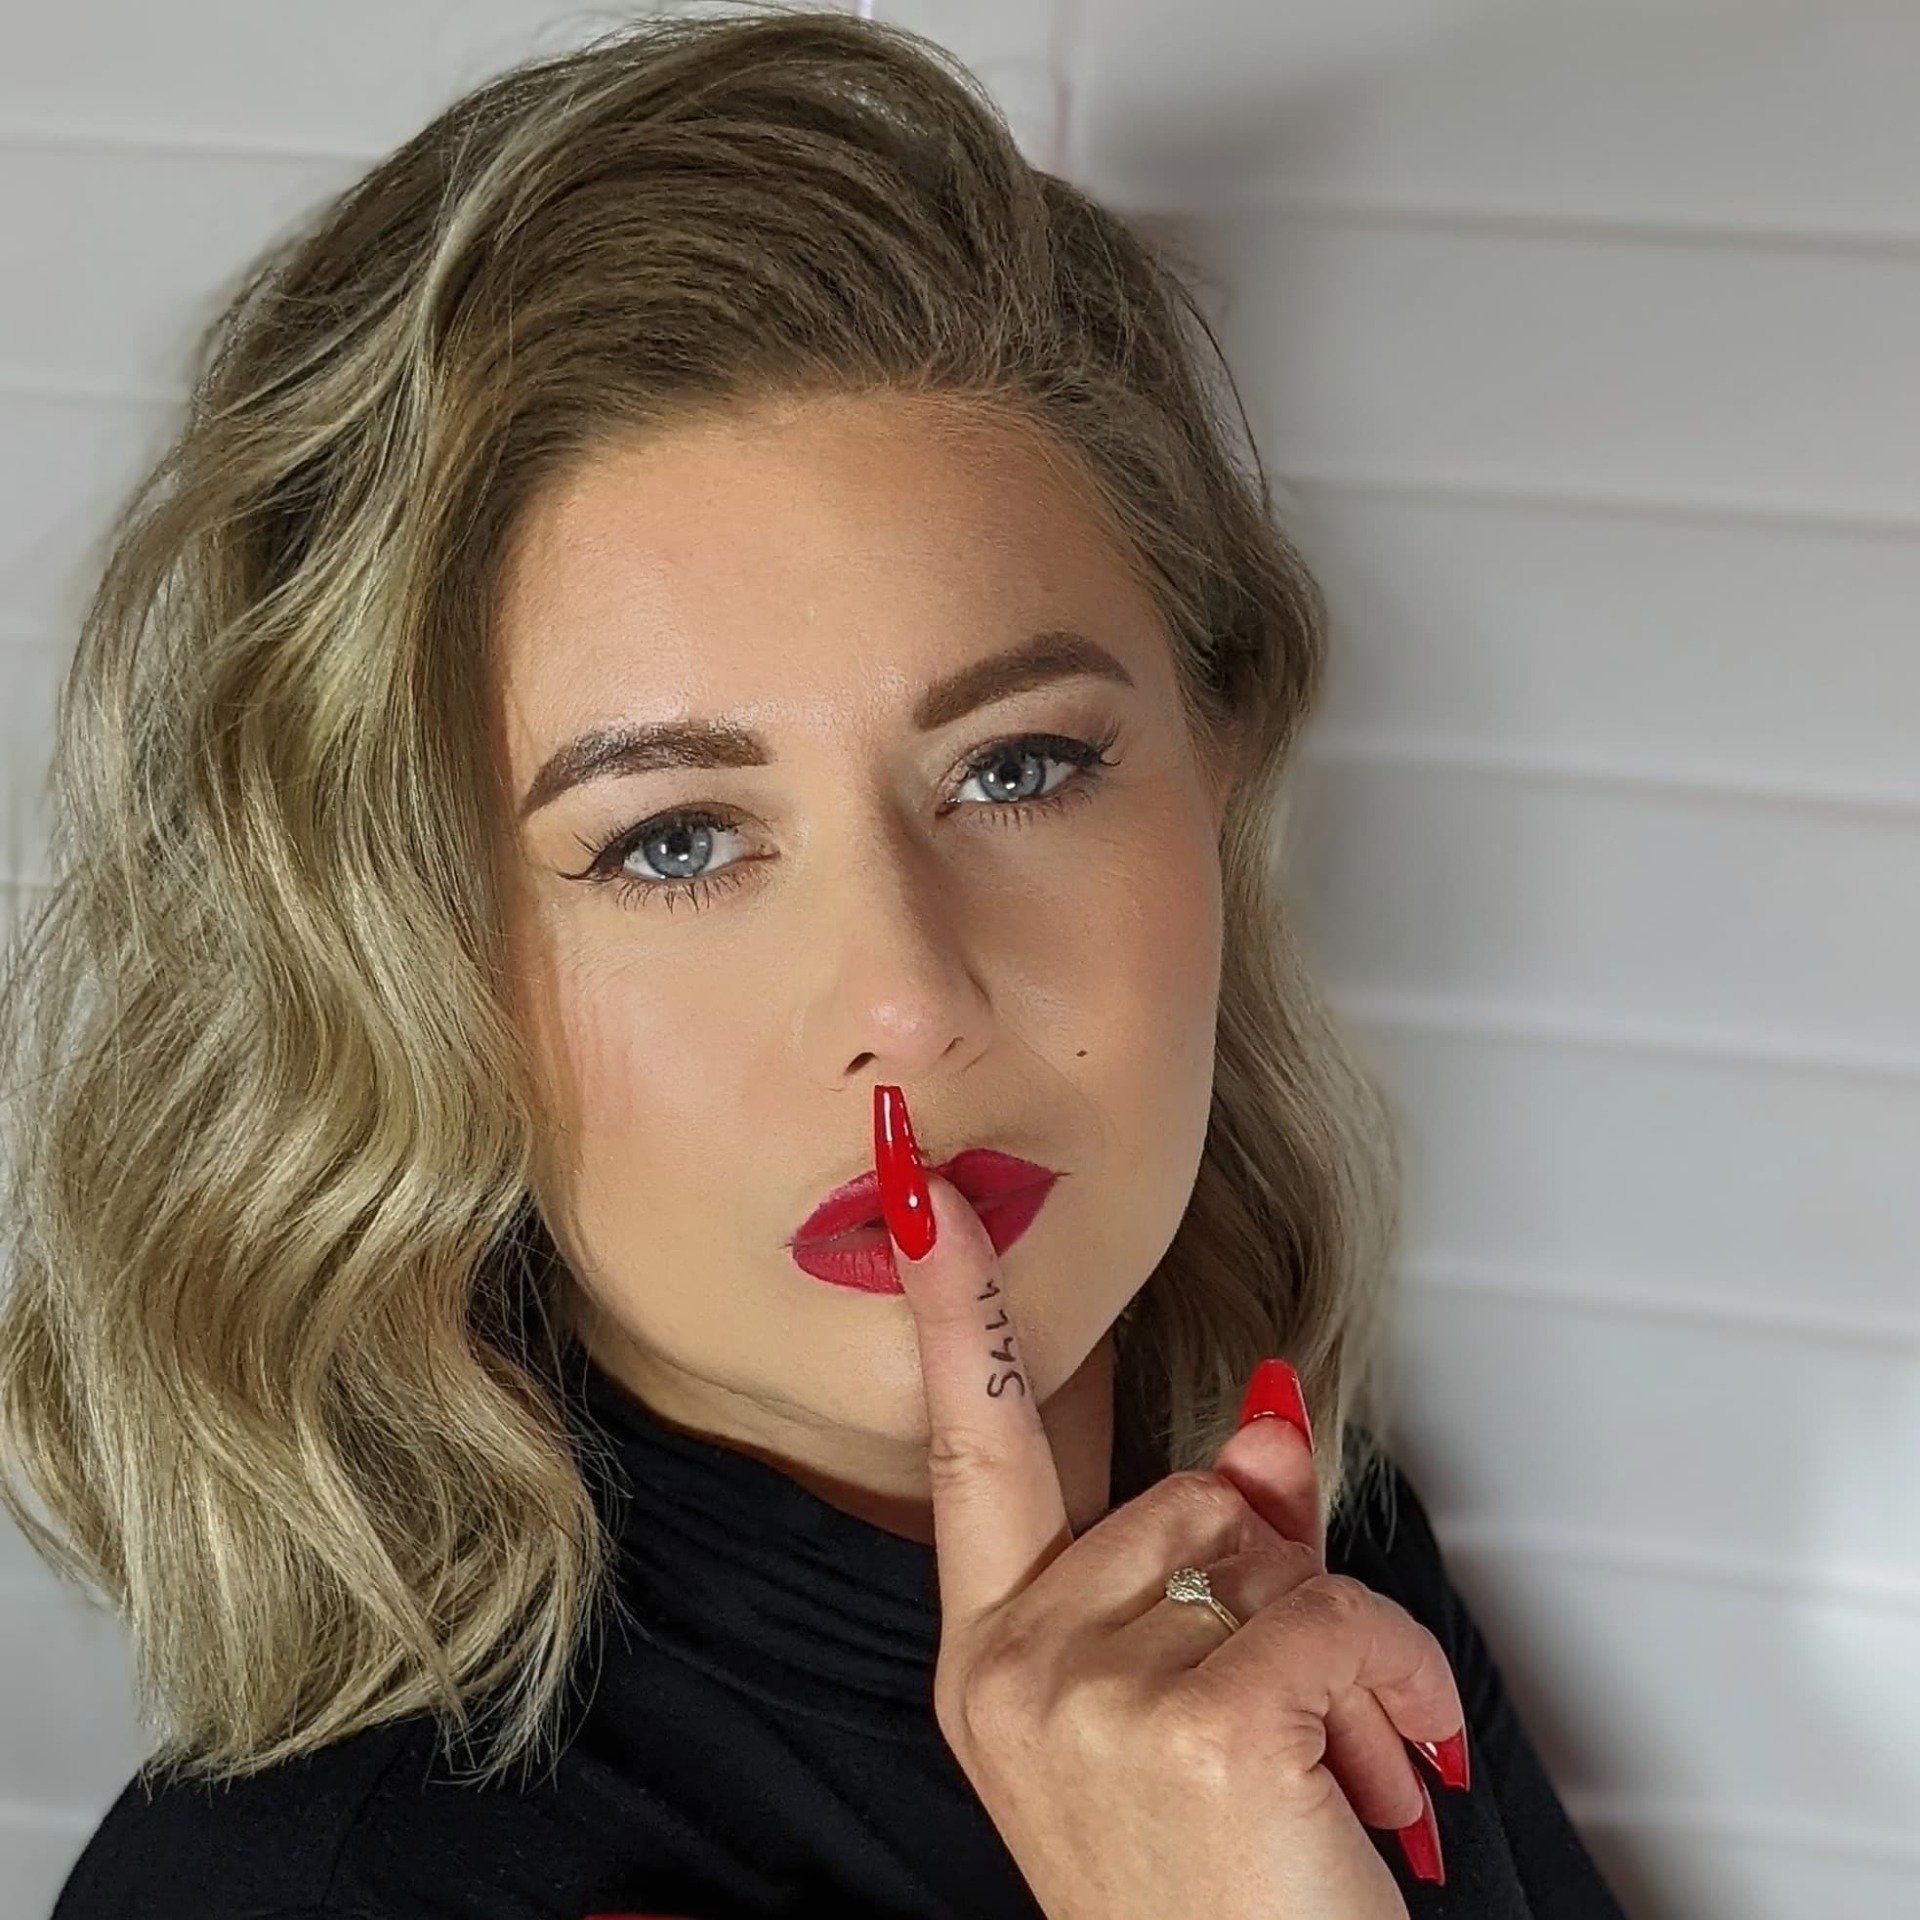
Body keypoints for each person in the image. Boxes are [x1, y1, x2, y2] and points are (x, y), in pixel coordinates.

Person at [0, 10, 1630, 1918]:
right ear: (394, 950)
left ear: (1222, 768)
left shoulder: (1285, 1545)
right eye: (672, 842)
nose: (906, 1001)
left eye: (1017, 767)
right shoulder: (308, 1893)